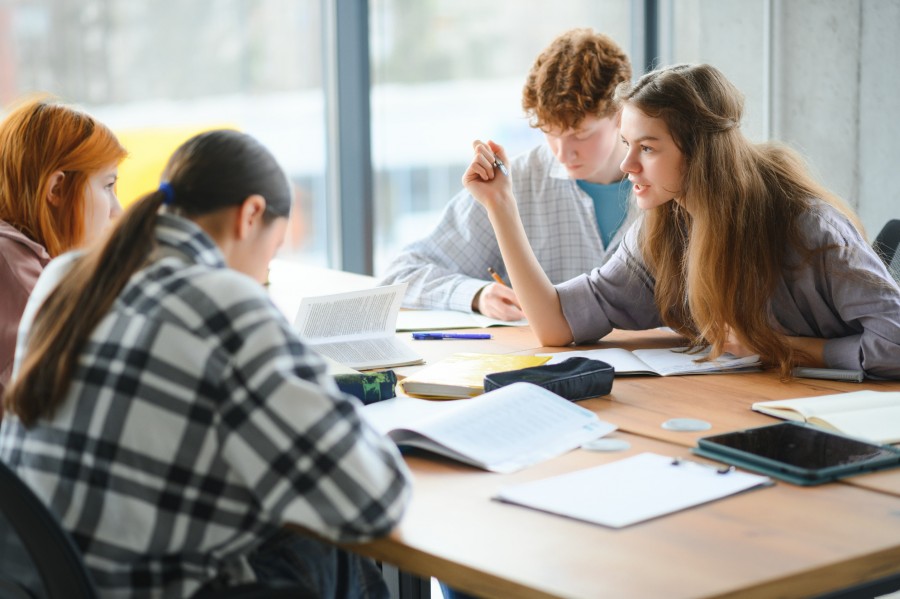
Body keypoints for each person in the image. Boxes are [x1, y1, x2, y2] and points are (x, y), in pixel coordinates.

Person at [1, 130, 411, 597]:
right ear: (251, 215)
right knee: (330, 546)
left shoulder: (64, 277)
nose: (264, 275)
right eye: (272, 254)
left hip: (59, 583)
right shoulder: (224, 303)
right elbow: (375, 499)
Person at [462, 63, 900, 379]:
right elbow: (556, 325)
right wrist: (501, 205)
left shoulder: (808, 227)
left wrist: (785, 349)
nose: (628, 164)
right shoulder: (664, 229)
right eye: (627, 143)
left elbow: (894, 345)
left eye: (648, 149)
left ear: (701, 154)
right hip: (753, 405)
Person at [378, 28, 635, 321]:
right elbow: (400, 275)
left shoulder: (665, 181)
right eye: (550, 134)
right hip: (542, 361)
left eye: (580, 134)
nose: (563, 154)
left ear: (620, 114)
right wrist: (477, 295)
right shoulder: (514, 183)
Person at [0, 97, 126, 402]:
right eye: (108, 186)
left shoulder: (27, 259)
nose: (117, 211)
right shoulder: (11, 266)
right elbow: (74, 392)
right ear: (56, 189)